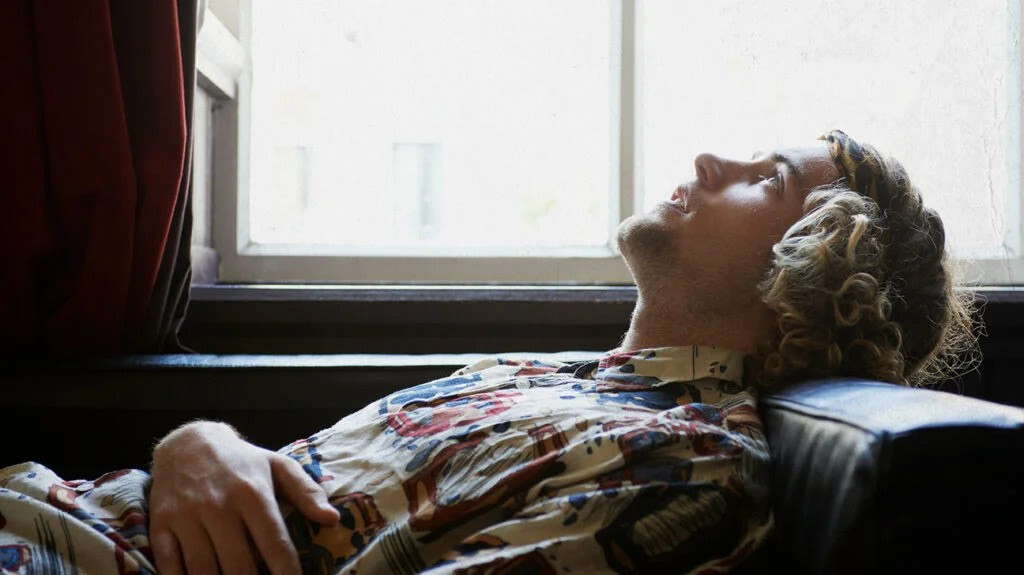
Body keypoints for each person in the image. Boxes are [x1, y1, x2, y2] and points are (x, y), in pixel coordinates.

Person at [0, 131, 977, 574]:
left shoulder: (688, 471)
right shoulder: (551, 376)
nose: (707, 161)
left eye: (767, 178)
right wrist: (200, 439)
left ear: (814, 270)